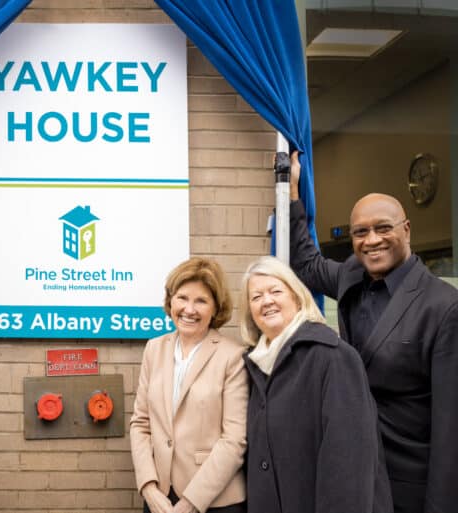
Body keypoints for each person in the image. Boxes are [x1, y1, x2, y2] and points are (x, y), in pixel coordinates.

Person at [288, 152, 458, 513]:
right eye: (361, 232)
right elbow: (306, 264)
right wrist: (292, 195)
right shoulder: (352, 276)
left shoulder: (444, 306)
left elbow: (451, 425)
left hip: (410, 484)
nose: (372, 240)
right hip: (356, 474)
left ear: (406, 230)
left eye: (384, 228)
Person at [240, 255, 392, 513]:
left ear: (297, 297)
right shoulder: (255, 366)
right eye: (256, 297)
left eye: (276, 291)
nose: (266, 301)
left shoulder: (333, 357)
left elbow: (350, 466)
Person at [130, 257, 248, 513]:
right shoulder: (154, 348)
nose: (189, 309)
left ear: (216, 308)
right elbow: (140, 423)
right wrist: (148, 487)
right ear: (170, 300)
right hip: (160, 498)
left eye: (201, 301)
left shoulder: (232, 356)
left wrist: (191, 502)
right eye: (182, 297)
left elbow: (234, 439)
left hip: (214, 501)